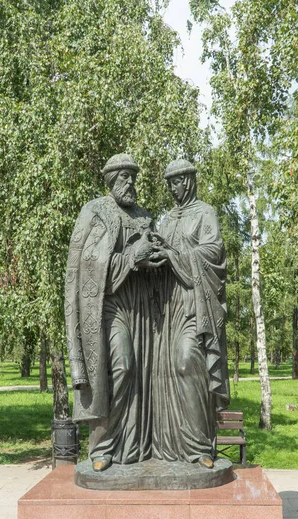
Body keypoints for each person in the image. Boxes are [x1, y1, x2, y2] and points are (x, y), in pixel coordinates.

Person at [65, 154, 163, 472]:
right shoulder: (95, 211)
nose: (131, 182)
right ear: (111, 180)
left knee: (143, 376)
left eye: (133, 176)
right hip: (109, 305)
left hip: (142, 308)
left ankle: (138, 445)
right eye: (124, 176)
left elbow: (152, 259)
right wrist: (134, 255)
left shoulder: (144, 216)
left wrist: (154, 257)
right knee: (121, 368)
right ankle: (104, 445)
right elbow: (88, 266)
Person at [151, 159, 230, 469]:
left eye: (178, 181)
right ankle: (168, 447)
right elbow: (161, 251)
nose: (173, 187)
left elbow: (215, 252)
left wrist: (174, 254)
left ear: (190, 181)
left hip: (194, 303)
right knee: (163, 373)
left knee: (187, 363)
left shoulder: (205, 213)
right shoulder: (167, 218)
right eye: (169, 182)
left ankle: (199, 447)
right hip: (166, 308)